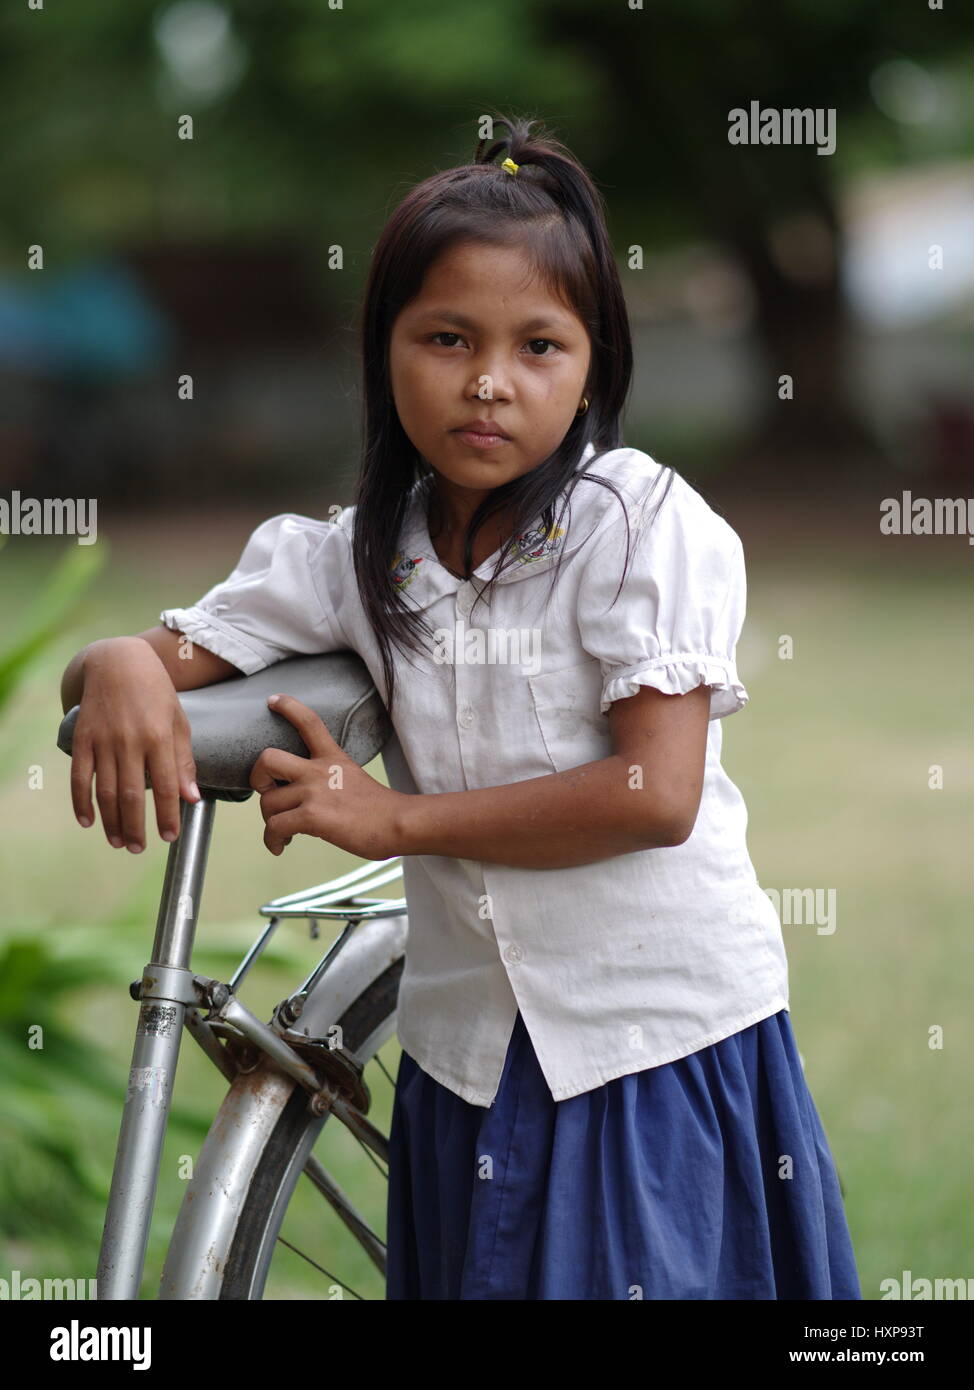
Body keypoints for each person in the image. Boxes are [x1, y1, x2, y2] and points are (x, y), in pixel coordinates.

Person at [60, 112, 861, 1301]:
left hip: (645, 1046)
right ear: (385, 349)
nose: (488, 380)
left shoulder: (640, 525)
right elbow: (158, 651)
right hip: (467, 1057)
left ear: (593, 365)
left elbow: (655, 793)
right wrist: (118, 663)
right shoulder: (353, 555)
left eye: (539, 346)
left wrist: (391, 823)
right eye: (446, 337)